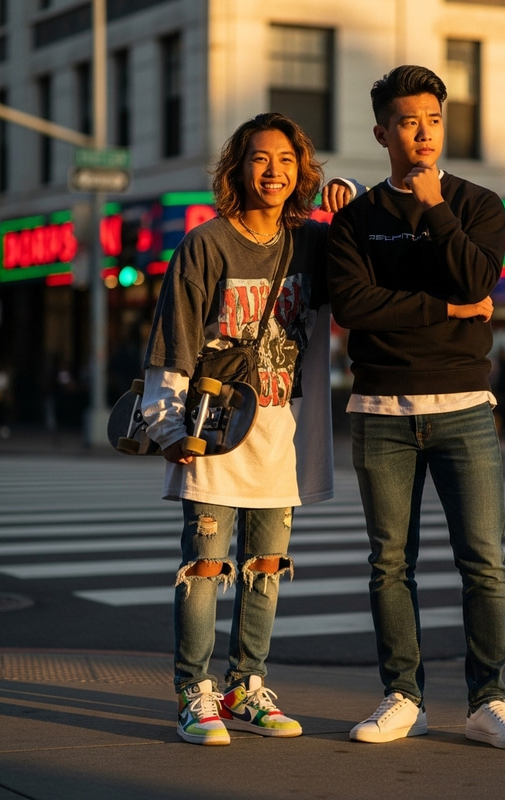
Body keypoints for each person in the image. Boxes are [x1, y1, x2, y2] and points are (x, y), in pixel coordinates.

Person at [327, 65, 505, 750]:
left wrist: (435, 208)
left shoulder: (478, 205)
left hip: (465, 410)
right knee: (390, 562)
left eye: (434, 120)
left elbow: (480, 276)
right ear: (382, 130)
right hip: (380, 411)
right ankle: (403, 697)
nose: (423, 132)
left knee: (484, 561)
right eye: (409, 121)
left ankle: (489, 701)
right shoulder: (356, 218)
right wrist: (448, 309)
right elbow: (355, 309)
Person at [141, 112, 354, 746]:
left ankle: (245, 685)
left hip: (280, 435)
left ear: (302, 170)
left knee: (265, 565)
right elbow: (173, 338)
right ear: (238, 167)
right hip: (213, 431)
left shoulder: (312, 244)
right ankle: (193, 692)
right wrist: (166, 423)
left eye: (287, 161)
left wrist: (350, 203)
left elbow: (360, 283)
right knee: (206, 565)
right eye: (260, 159)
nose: (274, 172)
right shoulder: (206, 244)